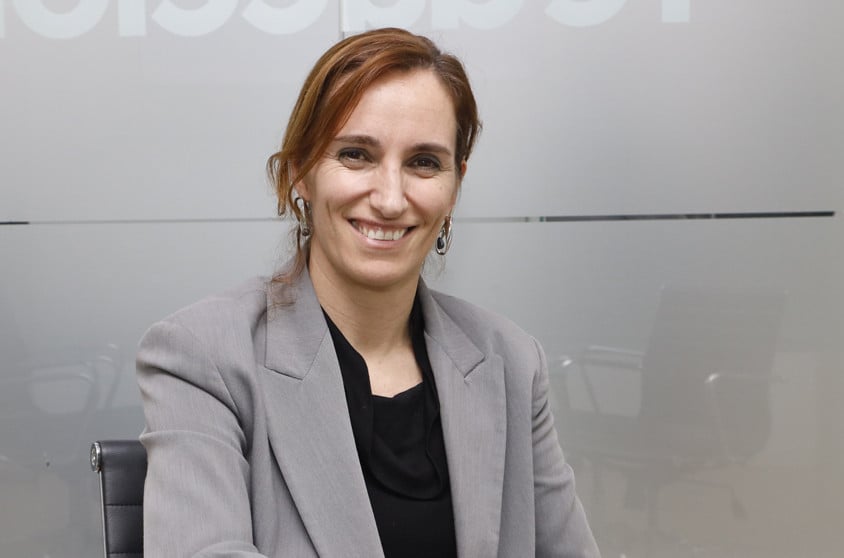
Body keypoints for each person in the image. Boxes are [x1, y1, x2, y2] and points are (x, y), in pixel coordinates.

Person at [137, 28, 599, 558]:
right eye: (356, 154)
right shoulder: (203, 356)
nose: (390, 199)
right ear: (300, 172)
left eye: (424, 162)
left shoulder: (511, 361)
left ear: (455, 186)